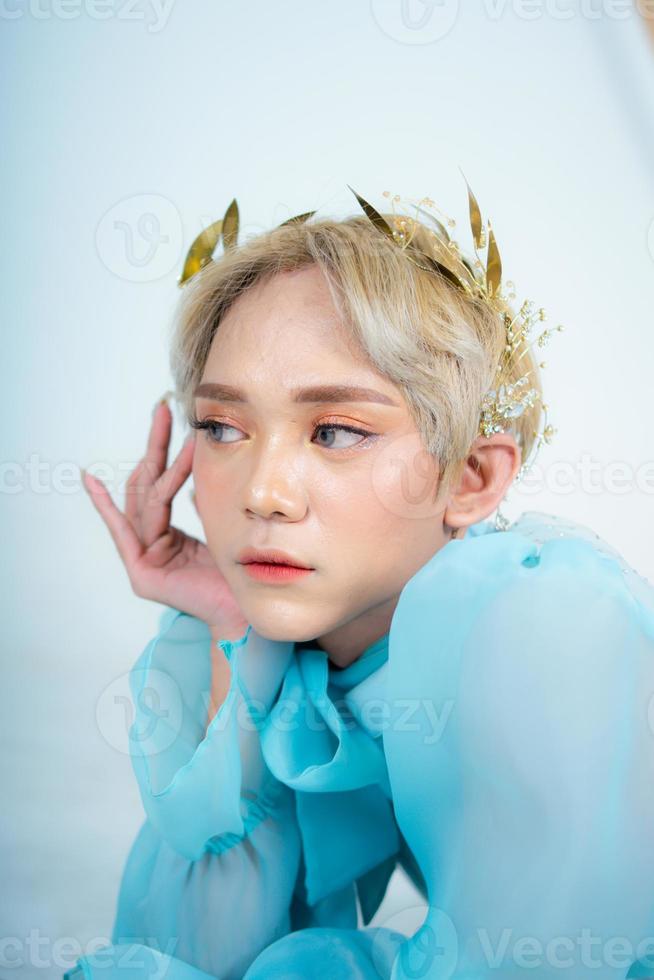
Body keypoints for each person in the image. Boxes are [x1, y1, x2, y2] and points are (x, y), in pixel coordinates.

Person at [72, 187, 654, 979]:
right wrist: (228, 627)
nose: (261, 493)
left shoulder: (541, 628)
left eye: (336, 431)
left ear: (473, 478)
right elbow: (202, 925)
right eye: (222, 427)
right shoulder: (293, 644)